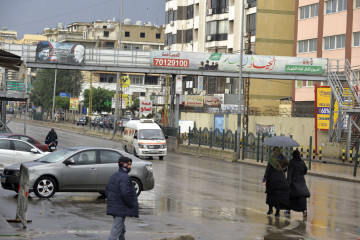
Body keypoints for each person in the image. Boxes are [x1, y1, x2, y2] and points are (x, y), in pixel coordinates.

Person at [106, 156, 139, 240]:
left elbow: (107, 190)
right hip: (119, 209)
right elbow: (125, 194)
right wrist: (131, 204)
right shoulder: (124, 177)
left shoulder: (114, 175)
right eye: (129, 165)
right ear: (124, 165)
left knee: (121, 230)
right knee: (115, 232)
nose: (130, 167)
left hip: (115, 207)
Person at [262, 147, 290, 217]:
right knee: (279, 197)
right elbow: (285, 168)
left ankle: (270, 210)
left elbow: (268, 170)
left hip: (272, 181)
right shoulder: (283, 158)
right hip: (281, 180)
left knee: (271, 195)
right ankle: (277, 213)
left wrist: (264, 179)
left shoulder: (272, 159)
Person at [285, 150, 310, 217]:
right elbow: (305, 170)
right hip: (301, 181)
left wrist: (287, 183)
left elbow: (289, 174)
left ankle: (288, 210)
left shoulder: (291, 162)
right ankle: (304, 210)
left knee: (290, 196)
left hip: (294, 182)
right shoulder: (302, 162)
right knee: (302, 197)